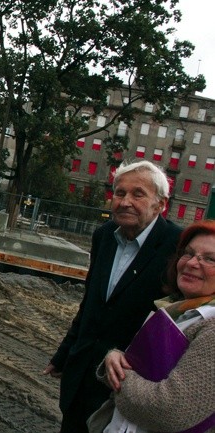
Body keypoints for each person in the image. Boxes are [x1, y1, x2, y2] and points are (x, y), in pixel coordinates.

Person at [43, 160, 182, 433]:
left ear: (160, 204)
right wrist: (64, 355)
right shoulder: (104, 236)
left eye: (138, 194)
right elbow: (91, 305)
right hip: (81, 376)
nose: (125, 201)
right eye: (120, 193)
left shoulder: (177, 247)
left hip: (128, 386)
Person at [96, 220, 215, 433]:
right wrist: (116, 357)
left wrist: (117, 376)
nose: (191, 263)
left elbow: (169, 411)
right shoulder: (175, 310)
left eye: (210, 259)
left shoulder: (211, 327)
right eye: (188, 253)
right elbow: (149, 369)